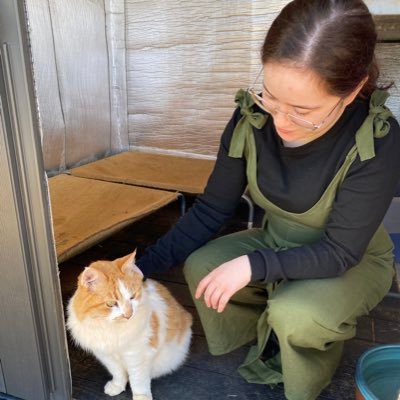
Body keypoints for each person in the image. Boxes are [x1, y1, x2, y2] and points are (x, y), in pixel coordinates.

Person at [136, 1, 400, 399]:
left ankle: (307, 346)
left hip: (350, 257)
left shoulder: (376, 139)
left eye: (303, 111)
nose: (280, 122)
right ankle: (270, 338)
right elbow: (211, 209)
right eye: (272, 97)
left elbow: (341, 251)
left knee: (298, 313)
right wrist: (140, 268)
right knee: (202, 264)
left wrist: (253, 264)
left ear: (352, 92)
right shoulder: (251, 119)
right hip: (277, 240)